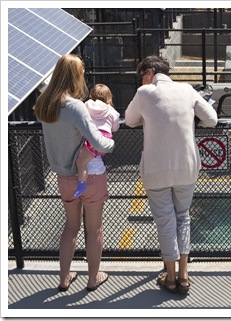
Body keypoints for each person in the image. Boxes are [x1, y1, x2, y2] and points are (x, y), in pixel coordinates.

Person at [125, 55, 218, 294]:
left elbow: (130, 120)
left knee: (165, 221)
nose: (142, 80)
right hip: (186, 166)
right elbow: (212, 119)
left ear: (149, 72)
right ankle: (185, 275)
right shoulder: (187, 90)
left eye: (142, 75)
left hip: (156, 170)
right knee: (183, 217)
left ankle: (171, 277)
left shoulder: (144, 93)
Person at [34, 54, 114, 292]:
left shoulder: (44, 105)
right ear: (75, 76)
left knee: (70, 227)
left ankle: (64, 278)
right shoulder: (75, 106)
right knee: (94, 229)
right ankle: (92, 279)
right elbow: (99, 143)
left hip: (64, 178)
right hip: (90, 178)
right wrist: (111, 143)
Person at [73, 84, 120, 199]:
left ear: (91, 95)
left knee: (81, 162)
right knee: (93, 158)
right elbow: (115, 128)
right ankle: (101, 190)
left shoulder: (86, 105)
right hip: (105, 139)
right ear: (109, 97)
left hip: (93, 137)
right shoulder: (111, 110)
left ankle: (82, 185)